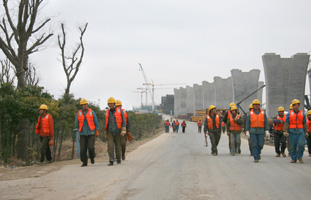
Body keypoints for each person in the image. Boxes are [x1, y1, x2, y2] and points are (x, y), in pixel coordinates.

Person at [75, 98, 100, 167]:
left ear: (87, 105)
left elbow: (96, 121)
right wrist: (78, 133)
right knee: (83, 149)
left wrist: (97, 130)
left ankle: (92, 157)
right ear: (81, 106)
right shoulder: (78, 113)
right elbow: (77, 124)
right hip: (82, 133)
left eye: (85, 104)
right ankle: (84, 162)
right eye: (83, 105)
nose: (85, 106)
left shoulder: (92, 112)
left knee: (91, 147)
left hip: (91, 133)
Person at [284, 99, 308, 163]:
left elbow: (304, 123)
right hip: (292, 132)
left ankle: (300, 157)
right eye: (295, 105)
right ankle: (293, 158)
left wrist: (306, 132)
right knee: (292, 146)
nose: (296, 106)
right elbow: (287, 123)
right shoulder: (289, 114)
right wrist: (286, 131)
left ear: (299, 106)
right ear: (293, 106)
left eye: (297, 105)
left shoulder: (302, 114)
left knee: (301, 144)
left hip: (300, 132)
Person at [104, 97, 126, 166]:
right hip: (110, 131)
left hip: (118, 131)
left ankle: (118, 159)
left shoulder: (120, 111)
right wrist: (105, 133)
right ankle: (111, 160)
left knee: (117, 146)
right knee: (110, 146)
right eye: (109, 104)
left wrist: (123, 129)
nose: (110, 105)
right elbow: (105, 123)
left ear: (114, 104)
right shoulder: (107, 112)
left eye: (111, 104)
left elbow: (123, 120)